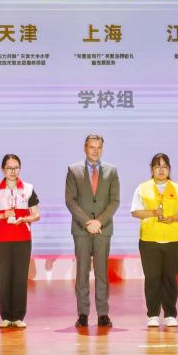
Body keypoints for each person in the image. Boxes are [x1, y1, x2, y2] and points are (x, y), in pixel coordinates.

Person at [64, 134, 120, 328]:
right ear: (85, 148)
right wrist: (88, 222)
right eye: (92, 147)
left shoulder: (112, 171)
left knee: (102, 273)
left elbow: (114, 201)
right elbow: (70, 200)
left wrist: (100, 222)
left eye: (99, 147)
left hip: (103, 230)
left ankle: (103, 314)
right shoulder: (73, 170)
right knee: (82, 273)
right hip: (82, 229)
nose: (95, 151)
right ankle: (83, 314)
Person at [131, 153, 178, 327]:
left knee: (170, 278)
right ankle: (153, 315)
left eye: (164, 166)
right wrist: (152, 213)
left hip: (172, 240)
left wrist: (172, 218)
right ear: (152, 169)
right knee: (152, 278)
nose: (161, 170)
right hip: (149, 240)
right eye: (157, 166)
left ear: (169, 169)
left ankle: (170, 314)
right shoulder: (142, 188)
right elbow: (135, 211)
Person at [0, 154, 41, 328]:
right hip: (1, 240)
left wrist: (25, 219)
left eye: (16, 167)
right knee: (5, 277)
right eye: (9, 168)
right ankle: (6, 316)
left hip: (23, 238)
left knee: (20, 277)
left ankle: (19, 316)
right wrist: (3, 215)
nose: (13, 171)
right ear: (3, 169)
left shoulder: (28, 188)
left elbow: (36, 214)